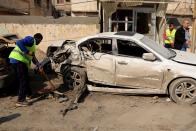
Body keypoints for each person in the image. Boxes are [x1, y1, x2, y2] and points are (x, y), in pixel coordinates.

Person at [9, 33, 43, 107]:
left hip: (17, 61)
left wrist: (39, 65)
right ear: (38, 39)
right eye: (40, 41)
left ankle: (29, 94)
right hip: (18, 60)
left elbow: (33, 57)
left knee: (26, 79)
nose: (40, 42)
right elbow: (19, 42)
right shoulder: (31, 39)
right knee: (23, 80)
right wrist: (26, 52)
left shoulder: (32, 46)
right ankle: (20, 100)